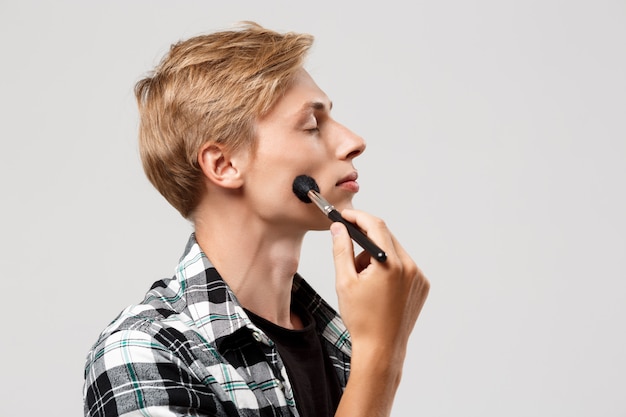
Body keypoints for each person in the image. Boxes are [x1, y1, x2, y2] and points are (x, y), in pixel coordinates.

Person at [83, 22, 430, 417]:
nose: (354, 142)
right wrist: (382, 354)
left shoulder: (340, 346)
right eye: (312, 126)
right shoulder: (143, 351)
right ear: (225, 164)